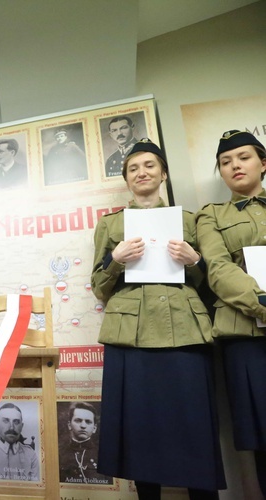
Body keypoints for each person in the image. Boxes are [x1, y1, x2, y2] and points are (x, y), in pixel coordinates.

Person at [92, 139, 225, 499]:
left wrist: (194, 260)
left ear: (164, 173)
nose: (142, 173)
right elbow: (99, 287)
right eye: (133, 168)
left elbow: (212, 285)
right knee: (140, 431)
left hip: (185, 329)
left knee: (195, 427)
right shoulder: (110, 224)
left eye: (150, 165)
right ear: (126, 179)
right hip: (130, 334)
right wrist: (115, 259)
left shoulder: (192, 220)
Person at [196, 130, 266, 497]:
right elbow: (218, 269)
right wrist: (262, 304)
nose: (235, 165)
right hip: (246, 333)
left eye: (243, 157)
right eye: (226, 162)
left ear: (263, 163)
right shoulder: (211, 215)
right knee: (263, 436)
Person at [58, 402, 110, 485]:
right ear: (69, 425)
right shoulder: (59, 453)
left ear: (94, 428)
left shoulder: (104, 454)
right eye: (78, 421)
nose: (83, 426)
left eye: (88, 422)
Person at [0, 403, 39, 481]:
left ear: (21, 426)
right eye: (6, 421)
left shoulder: (31, 455)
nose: (11, 427)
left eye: (16, 422)